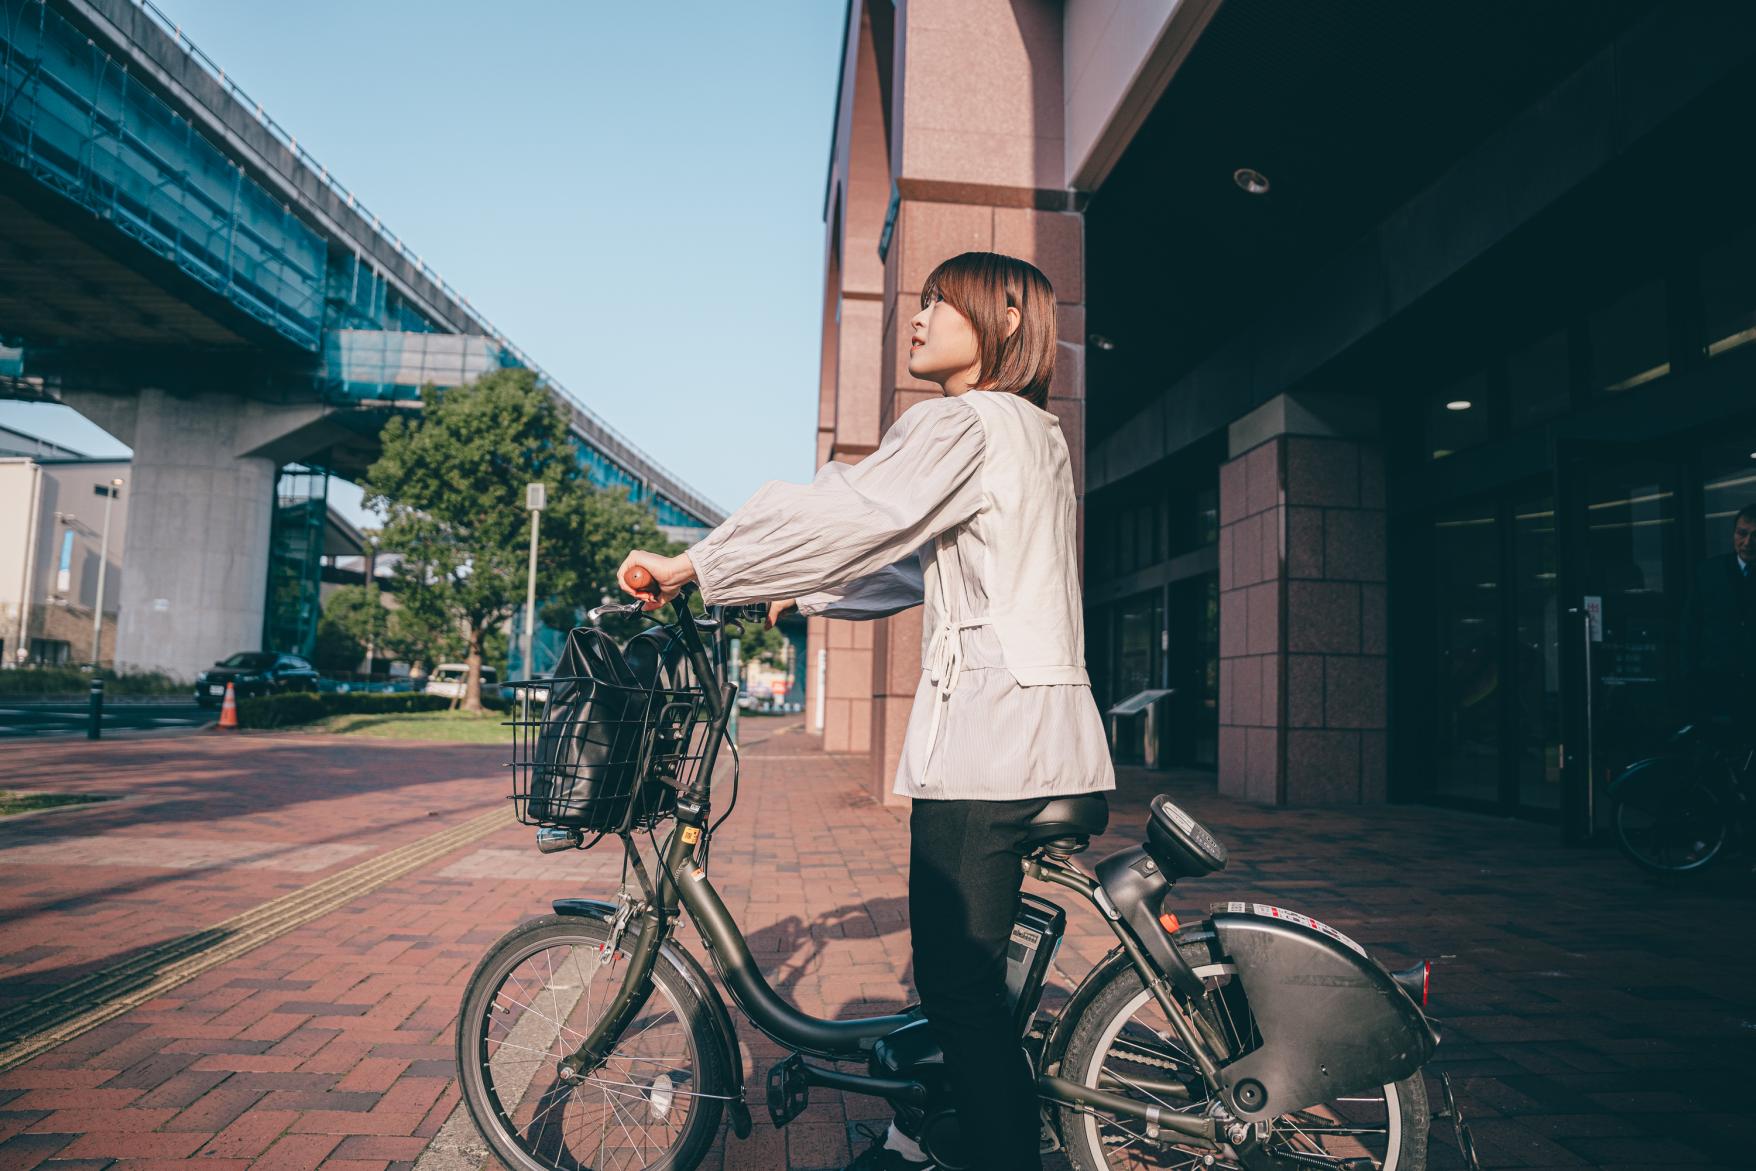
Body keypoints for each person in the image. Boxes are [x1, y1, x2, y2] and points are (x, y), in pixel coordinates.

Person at [618, 251, 1115, 1171]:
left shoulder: (960, 424)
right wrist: (799, 597)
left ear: (1005, 316)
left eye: (938, 303)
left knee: (959, 994)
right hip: (1036, 735)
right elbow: (907, 558)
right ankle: (934, 1133)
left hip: (992, 745)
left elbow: (845, 510)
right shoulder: (1028, 432)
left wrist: (697, 565)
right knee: (965, 988)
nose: (917, 318)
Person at [1679, 501, 1756, 729]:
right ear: (1734, 533)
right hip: (1715, 679)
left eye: (1755, 535)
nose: (1748, 542)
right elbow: (1691, 625)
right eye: (1742, 533)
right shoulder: (1709, 572)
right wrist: (1690, 674)